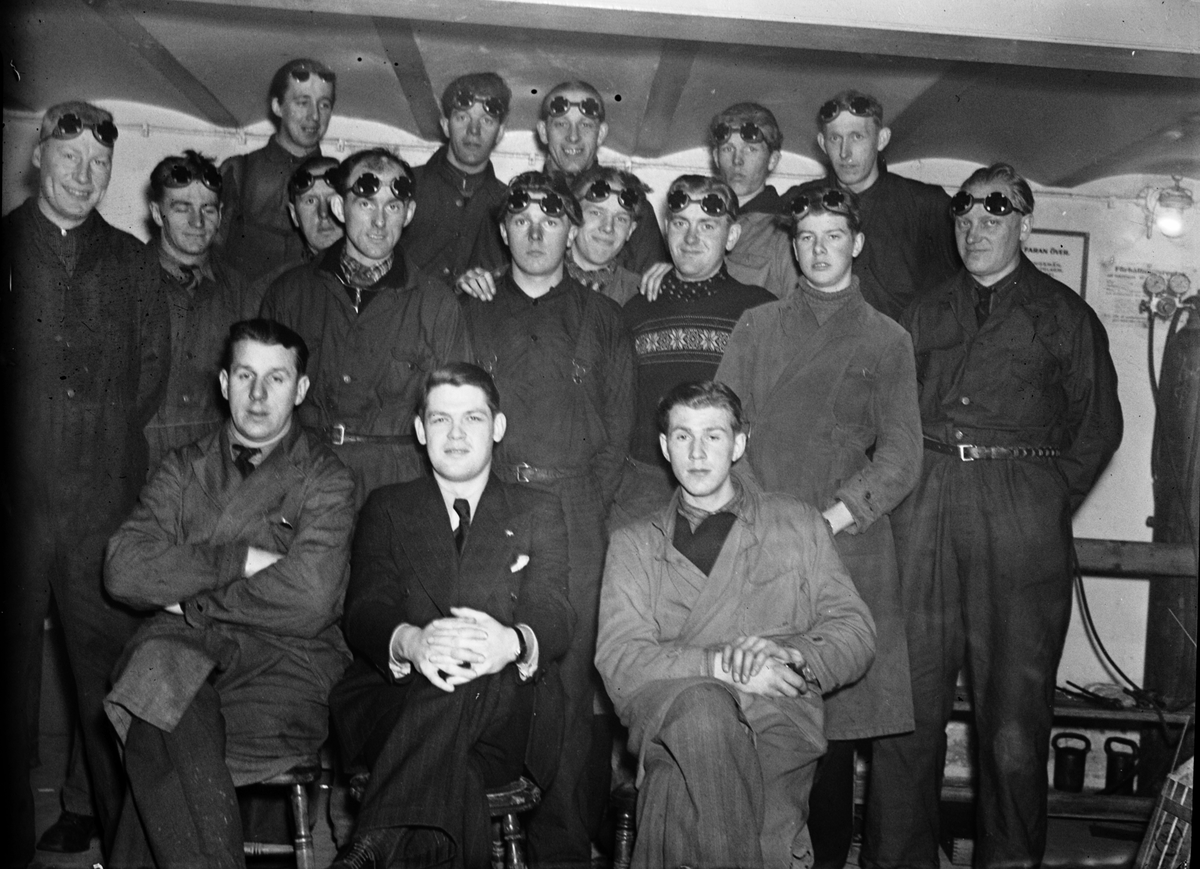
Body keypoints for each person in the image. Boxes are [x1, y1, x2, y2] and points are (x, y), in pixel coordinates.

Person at [862, 164, 1123, 869]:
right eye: (965, 217)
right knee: (906, 706)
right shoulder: (921, 312)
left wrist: (1039, 498)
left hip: (1019, 513)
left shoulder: (1065, 317)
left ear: (1025, 225)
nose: (975, 229)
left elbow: (1097, 428)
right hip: (925, 502)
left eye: (993, 216)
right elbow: (884, 413)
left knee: (1014, 717)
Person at [716, 186, 923, 869]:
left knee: (828, 735)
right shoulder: (756, 326)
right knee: (752, 716)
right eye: (806, 237)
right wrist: (764, 515)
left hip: (845, 547)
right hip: (760, 538)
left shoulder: (887, 339)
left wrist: (832, 516)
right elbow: (724, 429)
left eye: (833, 236)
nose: (819, 249)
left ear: (856, 243)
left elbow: (902, 456)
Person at [103, 318, 355, 868]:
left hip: (283, 663)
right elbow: (123, 569)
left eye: (276, 378)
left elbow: (311, 598)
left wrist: (192, 600)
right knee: (162, 686)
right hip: (185, 653)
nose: (258, 395)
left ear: (301, 389)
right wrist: (237, 560)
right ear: (224, 383)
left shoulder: (326, 477)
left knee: (158, 720)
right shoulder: (183, 467)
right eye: (245, 376)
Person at [596, 380, 876, 869]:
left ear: (739, 444)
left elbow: (855, 631)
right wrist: (720, 667)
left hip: (775, 720)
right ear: (664, 446)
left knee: (677, 799)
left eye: (713, 436)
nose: (697, 452)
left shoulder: (796, 523)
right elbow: (620, 660)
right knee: (704, 710)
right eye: (682, 436)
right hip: (670, 717)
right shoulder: (635, 544)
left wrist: (793, 655)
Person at [0, 100, 170, 866]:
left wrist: (94, 452)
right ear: (39, 157)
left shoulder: (132, 262)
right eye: (69, 156)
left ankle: (123, 846)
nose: (84, 173)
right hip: (12, 502)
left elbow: (150, 374)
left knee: (111, 686)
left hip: (100, 503)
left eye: (99, 162)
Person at [329, 363, 574, 869]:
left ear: (498, 427)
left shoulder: (538, 509)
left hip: (506, 716)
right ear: (421, 430)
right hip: (396, 705)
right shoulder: (387, 506)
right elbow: (365, 608)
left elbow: (555, 610)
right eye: (441, 420)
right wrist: (412, 643)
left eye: (473, 419)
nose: (456, 434)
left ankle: (372, 844)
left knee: (472, 670)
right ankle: (387, 844)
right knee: (457, 773)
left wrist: (511, 643)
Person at [459, 171, 635, 863]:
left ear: (571, 230)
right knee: (481, 668)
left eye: (551, 219)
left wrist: (580, 510)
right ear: (503, 231)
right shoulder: (469, 309)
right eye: (522, 220)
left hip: (574, 510)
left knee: (565, 676)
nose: (536, 232)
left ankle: (560, 848)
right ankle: (472, 838)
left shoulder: (603, 319)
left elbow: (617, 440)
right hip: (492, 505)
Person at [260, 148, 471, 505]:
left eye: (393, 207)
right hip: (305, 478)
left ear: (409, 214)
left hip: (397, 487)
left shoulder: (437, 305)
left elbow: (457, 414)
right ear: (339, 208)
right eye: (365, 204)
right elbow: (263, 401)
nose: (379, 221)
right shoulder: (290, 294)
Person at [614, 175, 775, 527]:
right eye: (680, 224)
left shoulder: (760, 310)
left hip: (729, 488)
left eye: (707, 226)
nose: (690, 238)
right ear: (666, 229)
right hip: (645, 489)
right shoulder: (636, 310)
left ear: (731, 236)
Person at [783, 90, 959, 321]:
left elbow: (960, 287)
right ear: (822, 143)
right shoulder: (799, 201)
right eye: (835, 139)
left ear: (882, 139)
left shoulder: (925, 205)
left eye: (857, 137)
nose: (845, 153)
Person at [144, 150, 262, 468]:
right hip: (139, 461)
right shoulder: (125, 280)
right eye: (182, 208)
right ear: (157, 213)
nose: (197, 222)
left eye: (207, 209)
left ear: (220, 215)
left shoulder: (241, 292)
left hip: (213, 466)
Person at [216, 58, 337, 282]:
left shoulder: (343, 179)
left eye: (324, 105)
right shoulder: (239, 172)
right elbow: (210, 254)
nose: (314, 116)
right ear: (277, 107)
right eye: (303, 102)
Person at [455, 166, 647, 307]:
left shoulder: (641, 293)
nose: (607, 228)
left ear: (631, 230)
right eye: (596, 213)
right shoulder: (516, 277)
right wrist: (466, 288)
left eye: (621, 219)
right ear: (574, 218)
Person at [537, 80, 667, 274]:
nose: (573, 136)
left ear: (601, 134)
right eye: (561, 124)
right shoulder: (517, 205)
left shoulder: (632, 206)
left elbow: (650, 285)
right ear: (543, 132)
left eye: (586, 125)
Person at [401, 72, 511, 283]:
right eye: (462, 117)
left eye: (486, 121)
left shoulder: (509, 205)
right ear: (445, 125)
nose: (473, 130)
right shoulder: (405, 187)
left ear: (499, 133)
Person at [288, 155, 345, 258]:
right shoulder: (286, 270)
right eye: (310, 201)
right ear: (294, 215)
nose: (323, 213)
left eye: (333, 200)